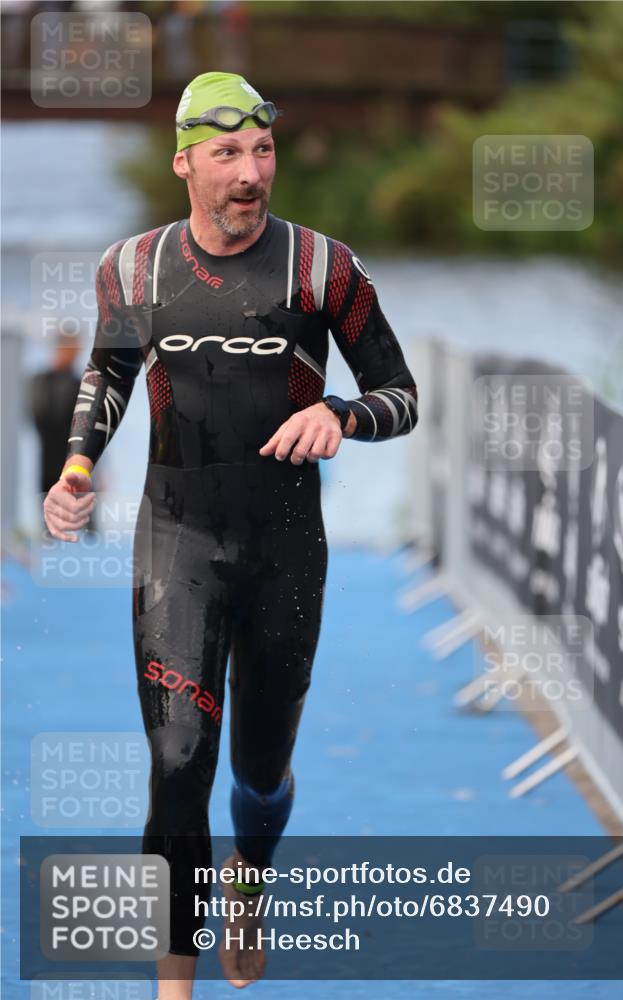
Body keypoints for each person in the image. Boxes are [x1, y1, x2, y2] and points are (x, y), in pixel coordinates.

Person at [43, 71, 418, 997]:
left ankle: (248, 882)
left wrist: (343, 413)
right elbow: (111, 375)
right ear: (184, 165)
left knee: (257, 770)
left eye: (262, 152)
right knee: (176, 764)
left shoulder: (322, 267)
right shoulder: (132, 269)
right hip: (178, 539)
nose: (250, 174)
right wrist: (77, 466)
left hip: (287, 545)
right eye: (227, 155)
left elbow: (402, 395)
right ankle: (175, 981)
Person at [30, 329, 82, 497]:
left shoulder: (79, 383)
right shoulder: (41, 382)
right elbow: (39, 418)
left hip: (77, 466)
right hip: (50, 465)